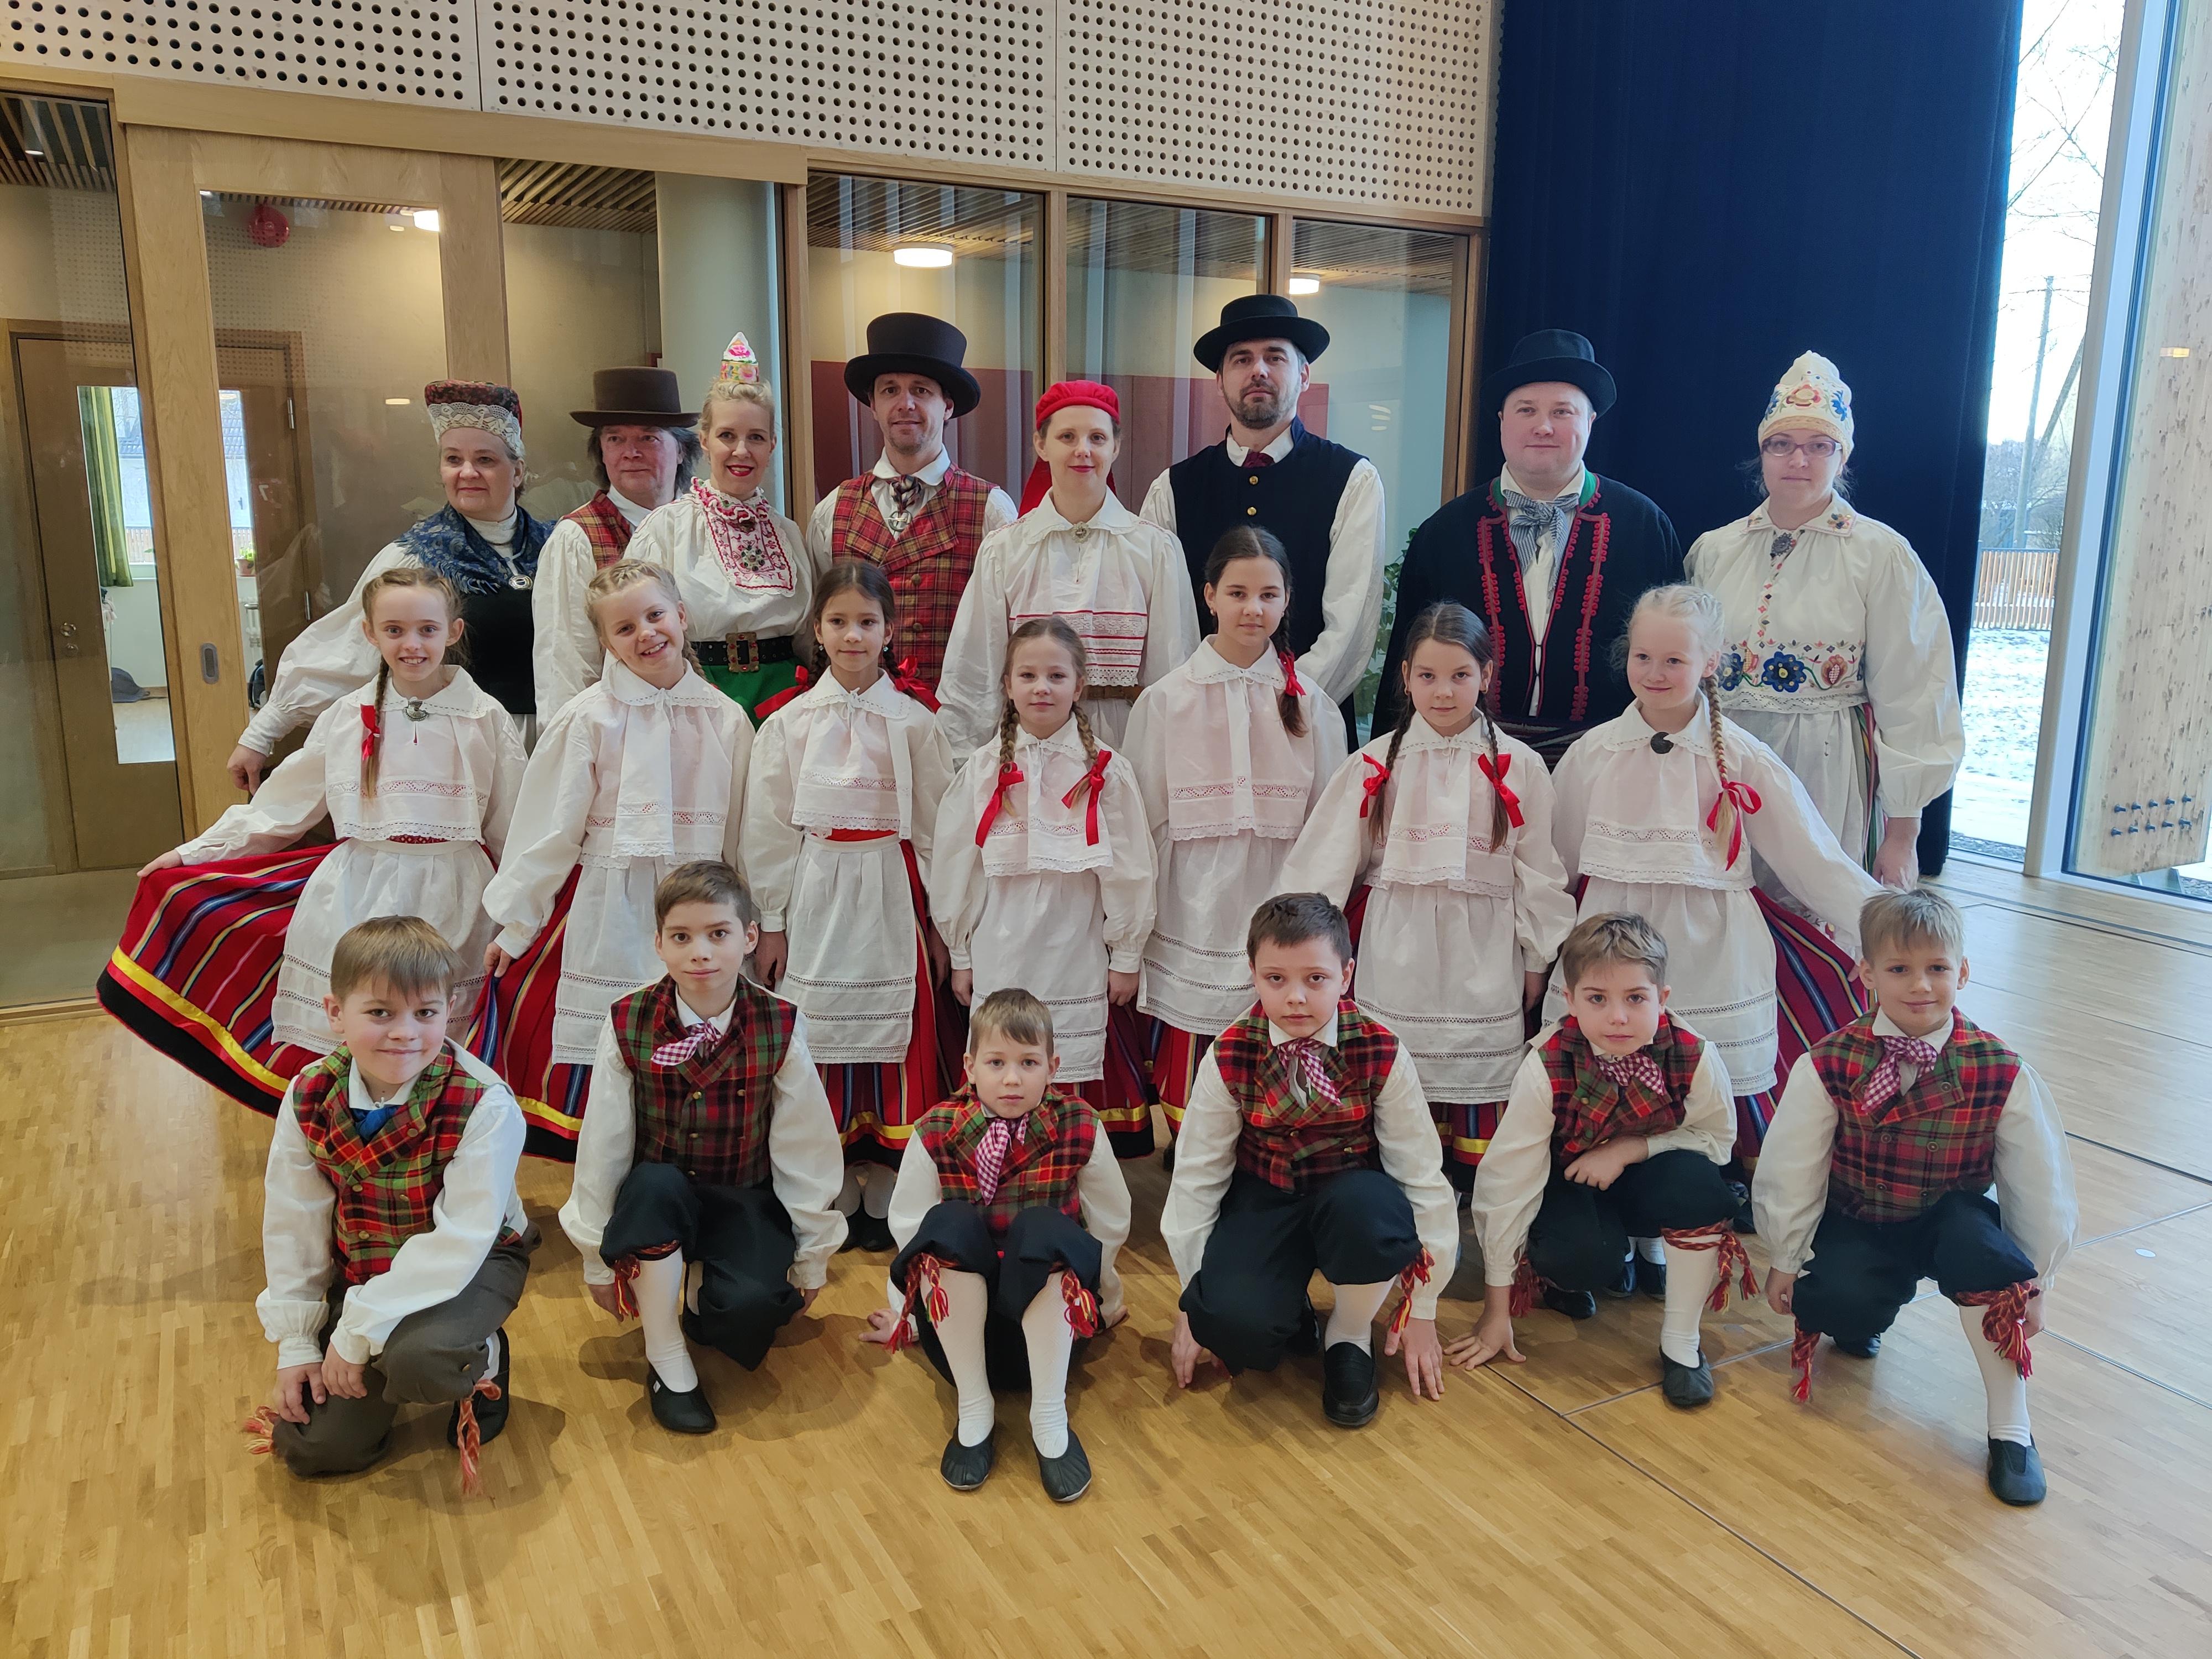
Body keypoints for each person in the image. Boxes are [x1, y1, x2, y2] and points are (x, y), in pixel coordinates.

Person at [103, 567, 524, 1105]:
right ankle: (351, 1136)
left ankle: (438, 1141)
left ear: (454, 631)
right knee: (362, 1034)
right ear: (370, 634)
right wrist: (193, 854)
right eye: (394, 630)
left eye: (427, 629)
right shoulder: (348, 716)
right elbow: (282, 807)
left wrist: (525, 914)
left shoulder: (485, 718)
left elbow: (514, 826)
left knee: (437, 1037)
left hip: (456, 897)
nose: (411, 644)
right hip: (356, 895)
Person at [1756, 889, 2077, 1505]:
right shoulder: (1831, 1060)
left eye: (1936, 968)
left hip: (1948, 1219)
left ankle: (2011, 1428)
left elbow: (2037, 1183)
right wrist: (1786, 1256)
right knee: (1838, 1304)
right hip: (1864, 1216)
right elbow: (1793, 1165)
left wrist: (2035, 1281)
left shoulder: (1999, 1068)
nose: (1920, 985)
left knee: (1985, 1259)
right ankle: (1862, 1316)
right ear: (1867, 973)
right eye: (1900, 969)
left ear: (1963, 972)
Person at [1550, 585, 1882, 1165]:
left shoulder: (1742, 757)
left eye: (1674, 660)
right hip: (1609, 944)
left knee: (1713, 1071)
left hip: (1712, 946)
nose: (1654, 673)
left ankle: (1716, 1172)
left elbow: (1810, 856)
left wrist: (1880, 929)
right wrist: (1538, 944)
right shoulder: (1594, 754)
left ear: (1711, 662)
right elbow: (1557, 861)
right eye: (1643, 657)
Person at [1279, 601, 1575, 1189]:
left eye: (1460, 675)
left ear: (1486, 676)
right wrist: (1302, 957)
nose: (1443, 692)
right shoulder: (1373, 764)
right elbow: (1323, 865)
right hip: (1397, 949)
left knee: (1479, 1073)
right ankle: (1402, 1183)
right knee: (1396, 1071)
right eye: (1428, 676)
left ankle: (1472, 1184)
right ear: (1406, 676)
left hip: (1485, 951)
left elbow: (1540, 873)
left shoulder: (1519, 766)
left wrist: (1538, 960)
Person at [243, 917, 534, 1496]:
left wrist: (353, 1336)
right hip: (366, 1266)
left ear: (448, 1011)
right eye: (380, 1013)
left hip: (473, 1264)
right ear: (335, 1012)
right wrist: (299, 1343)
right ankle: (394, 1347)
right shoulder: (307, 1094)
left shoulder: (485, 1103)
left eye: (425, 1013)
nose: (405, 1033)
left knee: (420, 1359)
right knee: (312, 1448)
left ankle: (482, 1357)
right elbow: (294, 1223)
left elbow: (460, 1243)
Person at [560, 861, 847, 1434]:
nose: (701, 953)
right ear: (659, 944)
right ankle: (666, 1357)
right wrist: (594, 1252)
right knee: (654, 1182)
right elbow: (604, 1144)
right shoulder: (628, 1019)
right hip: (657, 1200)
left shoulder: (779, 1023)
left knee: (752, 1315)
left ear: (749, 937)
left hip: (742, 1194)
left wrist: (812, 1252)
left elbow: (805, 1144)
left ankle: (693, 1291)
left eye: (718, 934)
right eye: (682, 937)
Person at [476, 561, 753, 1134]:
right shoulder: (587, 719)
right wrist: (518, 925)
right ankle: (604, 1155)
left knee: (697, 1032)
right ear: (605, 642)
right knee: (609, 1037)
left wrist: (757, 920)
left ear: (682, 616)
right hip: (610, 904)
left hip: (700, 910)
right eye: (625, 628)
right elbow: (549, 831)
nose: (645, 634)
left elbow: (741, 836)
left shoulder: (726, 719)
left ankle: (687, 1150)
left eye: (655, 616)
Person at [1162, 893, 1458, 1428]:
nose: (1295, 998)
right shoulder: (1229, 1053)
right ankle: (1285, 1305)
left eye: (1315, 979)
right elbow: (1197, 1178)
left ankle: (1349, 1334)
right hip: (1266, 1193)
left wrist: (1424, 1307)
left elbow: (1419, 1173)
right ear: (1253, 974)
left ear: (1346, 975)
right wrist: (1194, 1300)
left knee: (1369, 1213)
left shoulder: (1381, 1049)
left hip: (1352, 1198)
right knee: (1230, 1323)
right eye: (1276, 979)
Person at [1686, 352, 1964, 891]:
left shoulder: (1879, 555)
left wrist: (1903, 835)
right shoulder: (1715, 551)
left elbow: (1914, 692)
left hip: (1826, 770)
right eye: (1781, 443)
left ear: (1843, 458)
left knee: (1816, 905)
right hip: (1725, 763)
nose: (1798, 459)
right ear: (1762, 453)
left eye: (1819, 446)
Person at [742, 562, 959, 1249]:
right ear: (817, 629)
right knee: (818, 1027)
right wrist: (772, 923)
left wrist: (941, 923)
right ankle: (831, 1176)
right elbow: (768, 828)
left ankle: (890, 1178)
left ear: (890, 630)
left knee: (899, 1032)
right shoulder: (788, 723)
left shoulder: (915, 722)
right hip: (816, 888)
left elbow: (939, 830)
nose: (853, 636)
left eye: (867, 622)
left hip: (891, 887)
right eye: (838, 622)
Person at [1452, 914, 1747, 1408]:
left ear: (1662, 998)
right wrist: (1495, 1311)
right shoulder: (1546, 1063)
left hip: (1648, 1177)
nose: (1618, 1018)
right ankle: (1595, 1263)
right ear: (1569, 1001)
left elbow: (1716, 1141)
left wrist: (1628, 1149)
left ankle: (1681, 1343)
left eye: (1636, 999)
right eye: (1597, 999)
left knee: (1699, 1186)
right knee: (1583, 1259)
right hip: (1570, 1180)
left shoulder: (1695, 1055)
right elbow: (1508, 1181)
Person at [1124, 528, 1347, 1147]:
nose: (1253, 609)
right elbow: (1142, 819)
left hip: (1280, 897)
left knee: (1275, 1018)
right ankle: (1194, 1150)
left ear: (1287, 600)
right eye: (1238, 593)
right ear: (1209, 596)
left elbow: (1331, 824)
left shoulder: (1314, 706)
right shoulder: (1166, 700)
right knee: (1194, 1031)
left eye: (1269, 594)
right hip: (1192, 902)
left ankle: (1267, 1151)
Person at [864, 989, 1132, 1500]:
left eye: (1028, 1062)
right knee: (948, 1223)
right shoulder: (936, 1130)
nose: (1012, 1079)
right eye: (996, 1062)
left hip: (1049, 1341)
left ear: (1052, 1068)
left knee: (1044, 1228)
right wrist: (906, 1315)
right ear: (970, 1067)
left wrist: (1103, 1302)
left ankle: (1049, 1416)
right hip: (963, 1341)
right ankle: (975, 1409)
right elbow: (910, 1230)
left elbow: (1110, 1223)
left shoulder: (1080, 1125)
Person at [1380, 330, 1683, 764]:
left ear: (1590, 420)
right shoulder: (1444, 532)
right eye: (1527, 410)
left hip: (1611, 763)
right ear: (1502, 419)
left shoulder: (1644, 526)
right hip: (1466, 761)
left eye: (1562, 411)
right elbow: (1405, 662)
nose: (1543, 426)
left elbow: (1677, 657)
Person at [230, 381, 552, 787]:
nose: (467, 473)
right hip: (456, 744)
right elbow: (349, 648)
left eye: (485, 460)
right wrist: (262, 733)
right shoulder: (417, 556)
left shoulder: (559, 547)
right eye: (453, 459)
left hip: (551, 741)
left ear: (518, 470)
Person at [931, 619, 1156, 1157]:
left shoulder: (1107, 771)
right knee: (1004, 1061)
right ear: (1007, 685)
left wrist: (1126, 954)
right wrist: (960, 954)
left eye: (1056, 676)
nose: (1041, 688)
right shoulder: (983, 770)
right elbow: (957, 868)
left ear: (1079, 686)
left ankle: (1067, 1172)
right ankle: (1002, 1171)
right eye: (1028, 675)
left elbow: (1131, 870)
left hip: (1074, 946)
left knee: (1063, 1065)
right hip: (1000, 946)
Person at [1139, 295, 1386, 735]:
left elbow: (1350, 626)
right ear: (1220, 381)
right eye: (1242, 359)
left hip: (1307, 726)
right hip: (1200, 728)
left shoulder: (1353, 480)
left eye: (1275, 357)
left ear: (1304, 375)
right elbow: (1165, 629)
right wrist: (1201, 708)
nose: (1259, 370)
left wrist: (1285, 707)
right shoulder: (1172, 488)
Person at [936, 380, 1196, 754]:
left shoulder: (1156, 549)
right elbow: (975, 672)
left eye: (1097, 438)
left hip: (1125, 745)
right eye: (1067, 437)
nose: (1083, 450)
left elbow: (1173, 672)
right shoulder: (1004, 549)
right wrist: (964, 763)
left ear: (1116, 447)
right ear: (1041, 445)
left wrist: (1167, 766)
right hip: (1029, 742)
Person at [806, 312, 1018, 688]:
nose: (905, 404)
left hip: (952, 715)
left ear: (947, 406)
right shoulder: (833, 510)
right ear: (873, 405)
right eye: (890, 390)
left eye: (921, 391)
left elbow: (1006, 634)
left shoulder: (991, 510)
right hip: (858, 713)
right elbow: (816, 629)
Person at [626, 335, 823, 719]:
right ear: (704, 441)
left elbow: (808, 638)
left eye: (756, 438)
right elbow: (635, 635)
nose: (742, 451)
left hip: (786, 701)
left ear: (772, 445)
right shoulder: (666, 530)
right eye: (727, 436)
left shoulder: (789, 534)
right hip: (699, 695)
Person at [531, 364, 703, 728]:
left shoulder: (703, 526)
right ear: (602, 452)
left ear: (681, 451)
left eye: (648, 438)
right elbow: (565, 665)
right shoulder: (577, 538)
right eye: (615, 439)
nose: (630, 452)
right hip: (620, 736)